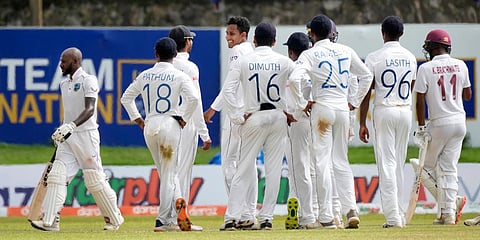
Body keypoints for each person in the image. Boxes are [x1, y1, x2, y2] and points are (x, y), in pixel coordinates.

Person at [289, 14, 373, 229]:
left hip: (322, 109)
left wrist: (301, 103)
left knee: (322, 162)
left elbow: (294, 79)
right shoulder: (346, 50)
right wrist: (352, 102)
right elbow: (366, 76)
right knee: (341, 161)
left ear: (313, 34)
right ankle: (350, 209)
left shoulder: (310, 53)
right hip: (342, 110)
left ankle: (326, 216)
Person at [30, 47, 124, 231]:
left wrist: (71, 126)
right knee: (57, 176)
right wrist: (62, 132)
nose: (60, 65)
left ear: (75, 62)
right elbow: (70, 112)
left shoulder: (89, 80)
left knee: (94, 180)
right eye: (61, 61)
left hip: (87, 136)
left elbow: (89, 110)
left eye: (64, 61)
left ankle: (114, 219)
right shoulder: (64, 84)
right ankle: (50, 221)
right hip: (69, 137)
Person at [221, 22, 297, 230]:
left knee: (244, 167)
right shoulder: (284, 61)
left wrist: (237, 115)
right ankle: (266, 218)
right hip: (278, 116)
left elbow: (228, 91)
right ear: (274, 41)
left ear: (253, 40)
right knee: (273, 169)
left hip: (253, 116)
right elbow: (300, 81)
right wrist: (293, 109)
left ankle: (232, 217)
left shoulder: (244, 61)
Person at [120, 37, 199, 232]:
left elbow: (126, 98)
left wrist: (138, 119)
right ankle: (163, 220)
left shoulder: (145, 75)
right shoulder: (180, 75)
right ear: (174, 54)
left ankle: (174, 213)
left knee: (166, 173)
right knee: (170, 172)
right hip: (170, 124)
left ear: (156, 54)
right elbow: (194, 99)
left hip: (150, 125)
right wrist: (184, 117)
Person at [359, 16, 417, 228]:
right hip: (404, 110)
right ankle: (399, 214)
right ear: (401, 34)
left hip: (385, 110)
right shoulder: (410, 57)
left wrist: (362, 122)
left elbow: (366, 91)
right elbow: (411, 85)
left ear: (382, 33)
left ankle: (393, 218)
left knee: (387, 164)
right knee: (398, 164)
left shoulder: (375, 57)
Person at [202, 16, 257, 230]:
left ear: (244, 35)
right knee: (249, 165)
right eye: (226, 33)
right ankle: (249, 213)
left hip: (237, 116)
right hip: (252, 114)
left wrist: (213, 108)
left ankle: (236, 214)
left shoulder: (237, 53)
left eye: (232, 34)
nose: (228, 38)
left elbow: (229, 87)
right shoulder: (253, 53)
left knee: (229, 165)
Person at [413, 29, 471, 225]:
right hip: (459, 122)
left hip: (439, 123)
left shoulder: (426, 68)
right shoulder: (461, 65)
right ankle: (448, 213)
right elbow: (468, 95)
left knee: (422, 168)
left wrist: (421, 127)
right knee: (448, 169)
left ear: (432, 47)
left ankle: (450, 204)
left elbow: (420, 99)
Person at [169, 25, 212, 231]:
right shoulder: (190, 67)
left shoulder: (163, 66)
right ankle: (181, 213)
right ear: (187, 42)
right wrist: (204, 133)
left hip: (164, 122)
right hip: (185, 124)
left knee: (169, 171)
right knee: (183, 171)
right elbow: (195, 102)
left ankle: (166, 217)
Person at [283, 32, 321, 230]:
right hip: (315, 120)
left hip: (296, 119)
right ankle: (313, 211)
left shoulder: (293, 68)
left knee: (298, 169)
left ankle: (304, 215)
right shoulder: (315, 66)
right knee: (312, 168)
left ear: (291, 51)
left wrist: (300, 104)